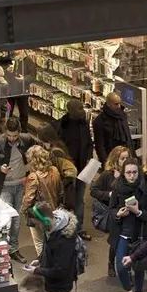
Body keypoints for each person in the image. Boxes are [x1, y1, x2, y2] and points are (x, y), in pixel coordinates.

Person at [0, 117, 35, 263]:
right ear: (5, 132)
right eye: (9, 135)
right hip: (4, 185)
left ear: (19, 132)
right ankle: (2, 248)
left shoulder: (26, 139)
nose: (12, 139)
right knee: (6, 219)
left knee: (16, 219)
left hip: (20, 184)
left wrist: (31, 167)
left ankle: (13, 249)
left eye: (15, 135)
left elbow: (38, 149)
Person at [110, 158, 147, 292]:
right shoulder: (117, 188)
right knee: (121, 267)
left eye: (135, 172)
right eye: (128, 172)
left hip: (140, 234)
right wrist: (118, 214)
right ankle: (129, 291)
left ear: (139, 172)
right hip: (122, 233)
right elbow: (111, 210)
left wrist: (138, 212)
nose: (132, 176)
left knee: (139, 266)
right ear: (123, 173)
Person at [55, 100, 93, 240]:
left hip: (83, 169)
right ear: (71, 111)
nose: (83, 111)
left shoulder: (84, 123)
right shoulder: (61, 126)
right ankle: (65, 227)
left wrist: (89, 158)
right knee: (66, 199)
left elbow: (89, 143)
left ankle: (79, 229)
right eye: (80, 108)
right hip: (68, 172)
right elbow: (57, 148)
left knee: (79, 200)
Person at [91, 145, 130, 277]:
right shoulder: (107, 175)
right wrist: (109, 195)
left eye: (127, 158)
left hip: (128, 210)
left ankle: (126, 265)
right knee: (115, 240)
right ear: (115, 159)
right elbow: (94, 190)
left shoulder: (130, 172)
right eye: (122, 158)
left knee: (128, 239)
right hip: (114, 212)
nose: (125, 161)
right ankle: (111, 263)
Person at [22, 145, 62, 257]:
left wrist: (24, 210)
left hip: (39, 213)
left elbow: (28, 199)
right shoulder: (54, 170)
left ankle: (43, 262)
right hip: (54, 210)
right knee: (52, 239)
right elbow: (60, 191)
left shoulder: (33, 177)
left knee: (39, 242)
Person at [36, 124, 79, 215]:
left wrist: (60, 185)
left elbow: (70, 171)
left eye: (38, 135)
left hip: (57, 193)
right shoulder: (56, 147)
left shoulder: (56, 152)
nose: (36, 137)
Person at [93, 92, 134, 163]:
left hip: (126, 157)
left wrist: (132, 156)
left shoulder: (122, 116)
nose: (119, 106)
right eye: (116, 104)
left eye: (120, 103)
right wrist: (105, 163)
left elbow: (128, 137)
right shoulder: (100, 121)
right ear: (108, 104)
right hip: (111, 158)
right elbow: (100, 146)